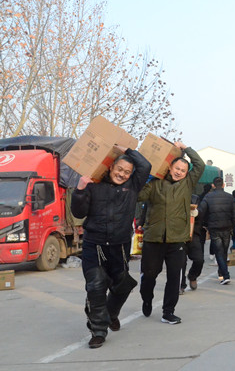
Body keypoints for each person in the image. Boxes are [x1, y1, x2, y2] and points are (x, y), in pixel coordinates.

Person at [71, 145, 151, 348]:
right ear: (111, 167)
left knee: (122, 284)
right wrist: (80, 190)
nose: (122, 174)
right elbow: (79, 213)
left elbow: (145, 165)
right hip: (94, 245)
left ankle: (111, 313)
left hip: (119, 246)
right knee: (96, 286)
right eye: (119, 169)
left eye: (127, 172)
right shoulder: (93, 184)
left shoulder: (133, 186)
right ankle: (98, 331)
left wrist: (127, 149)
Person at [137, 141, 204, 325]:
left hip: (177, 240)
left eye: (183, 170)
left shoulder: (188, 184)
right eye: (177, 168)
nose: (179, 172)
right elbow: (139, 196)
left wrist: (186, 149)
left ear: (186, 173)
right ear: (170, 167)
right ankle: (147, 298)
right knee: (149, 275)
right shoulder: (155, 184)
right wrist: (143, 178)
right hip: (154, 239)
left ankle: (168, 312)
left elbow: (200, 165)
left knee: (174, 277)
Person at [198, 176, 235, 284]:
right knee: (224, 251)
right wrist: (232, 225)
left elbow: (201, 211)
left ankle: (225, 275)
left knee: (219, 252)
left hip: (214, 228)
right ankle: (222, 273)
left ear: (213, 185)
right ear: (223, 185)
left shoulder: (208, 197)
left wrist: (205, 224)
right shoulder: (229, 197)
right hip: (227, 227)